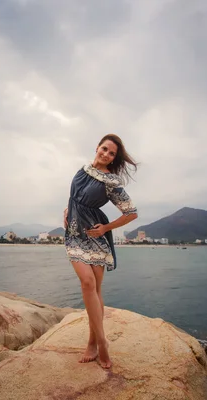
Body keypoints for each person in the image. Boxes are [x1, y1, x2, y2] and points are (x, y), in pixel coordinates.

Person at [64, 134, 138, 369]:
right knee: (88, 284)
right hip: (75, 234)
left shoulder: (111, 182)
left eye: (111, 153)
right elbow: (76, 196)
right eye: (104, 149)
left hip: (95, 235)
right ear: (97, 147)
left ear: (113, 158)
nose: (106, 154)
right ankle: (101, 342)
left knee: (93, 288)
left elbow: (131, 213)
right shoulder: (83, 169)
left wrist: (106, 227)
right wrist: (67, 209)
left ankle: (95, 343)